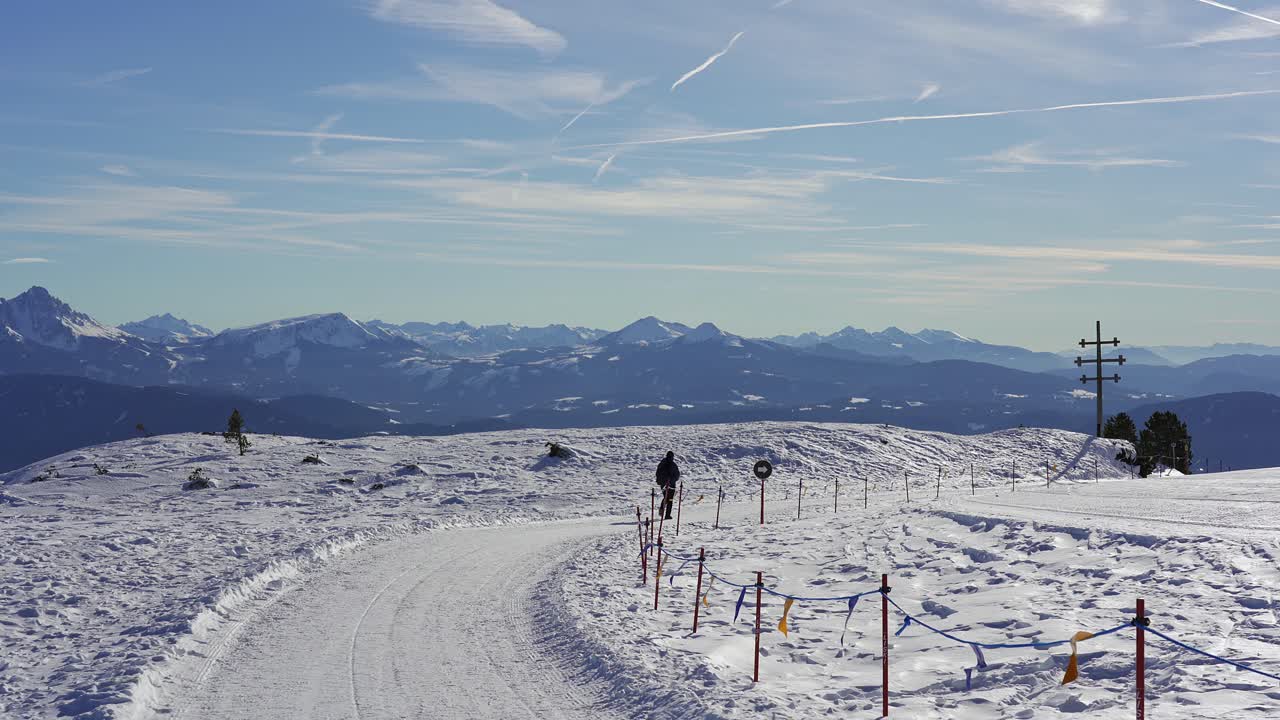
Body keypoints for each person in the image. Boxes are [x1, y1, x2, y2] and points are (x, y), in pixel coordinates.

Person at [655, 450, 680, 520]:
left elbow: (677, 475)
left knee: (667, 498)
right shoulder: (669, 464)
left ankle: (663, 511)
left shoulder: (663, 463)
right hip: (669, 485)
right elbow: (677, 475)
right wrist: (669, 480)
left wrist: (667, 481)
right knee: (669, 499)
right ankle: (667, 514)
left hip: (666, 485)